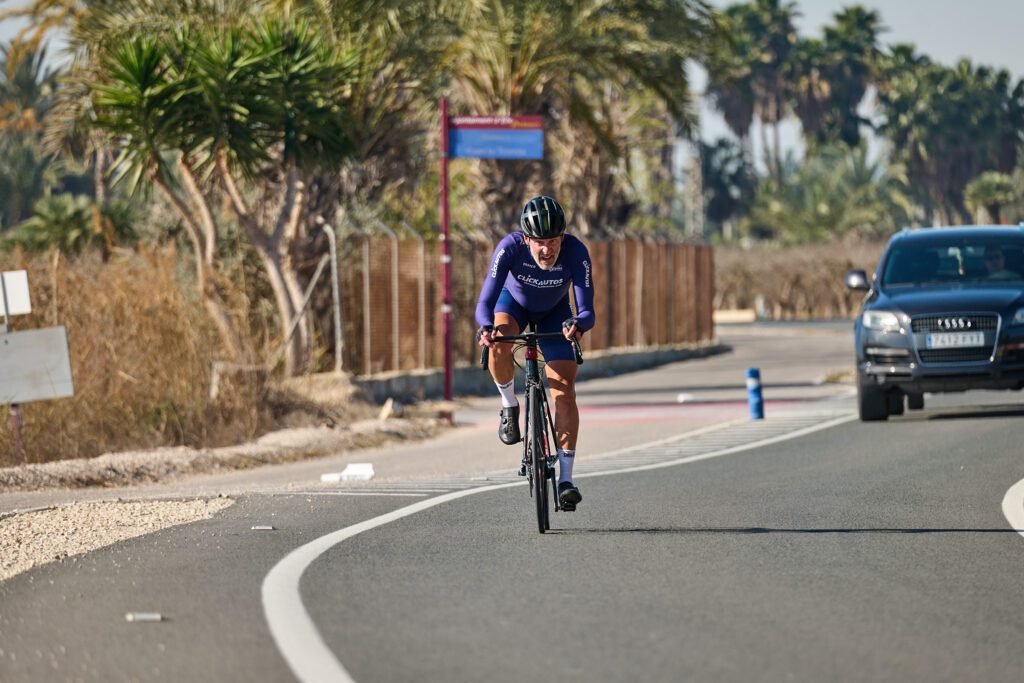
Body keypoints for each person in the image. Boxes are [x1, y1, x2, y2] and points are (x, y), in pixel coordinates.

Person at [475, 195, 595, 511]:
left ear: (562, 237)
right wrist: (485, 326)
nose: (547, 249)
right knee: (499, 341)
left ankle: (566, 479)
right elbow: (484, 302)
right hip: (511, 305)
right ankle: (508, 404)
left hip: (555, 314)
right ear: (526, 238)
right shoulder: (509, 248)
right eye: (540, 242)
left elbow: (586, 311)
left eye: (553, 241)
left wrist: (577, 323)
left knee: (565, 391)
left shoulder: (576, 252)